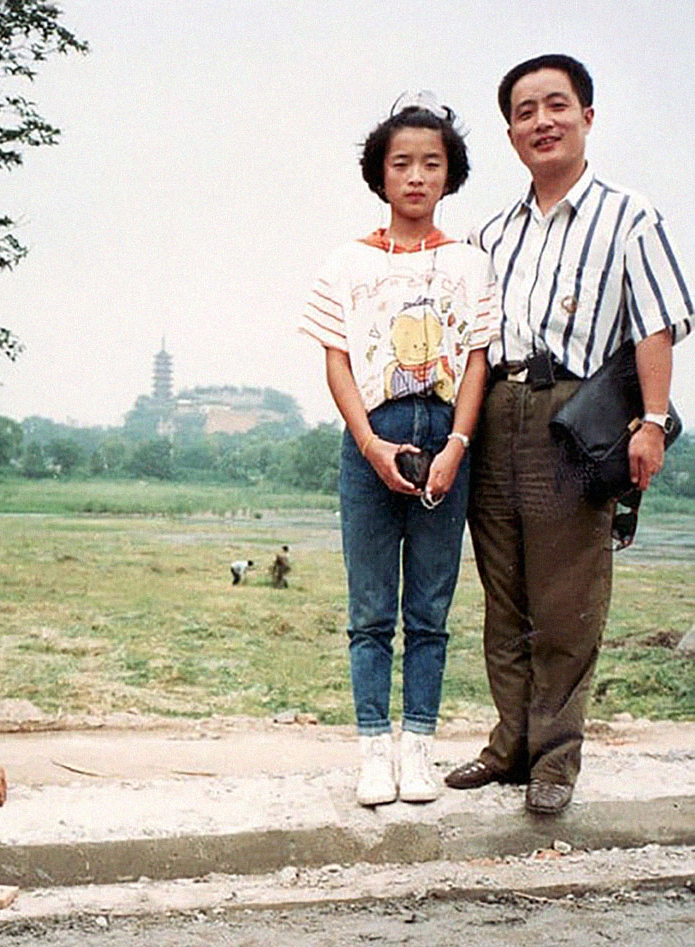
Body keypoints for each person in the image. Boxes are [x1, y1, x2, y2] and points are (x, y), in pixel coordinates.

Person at [445, 55, 693, 814]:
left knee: (566, 595)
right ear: (511, 131)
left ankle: (556, 755)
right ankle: (508, 744)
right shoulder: (491, 232)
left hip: (576, 413)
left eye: (557, 105)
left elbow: (656, 323)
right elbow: (476, 341)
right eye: (525, 111)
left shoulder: (630, 216)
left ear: (588, 116)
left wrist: (651, 422)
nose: (541, 121)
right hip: (498, 407)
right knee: (503, 591)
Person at [300, 92, 497, 806]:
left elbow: (477, 360)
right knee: (371, 608)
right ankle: (372, 751)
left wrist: (457, 445)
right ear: (380, 175)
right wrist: (370, 444)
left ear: (451, 175)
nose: (416, 177)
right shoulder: (347, 263)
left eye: (432, 164)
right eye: (401, 163)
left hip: (446, 438)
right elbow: (336, 360)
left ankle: (419, 747)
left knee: (431, 610)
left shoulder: (471, 264)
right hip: (370, 441)